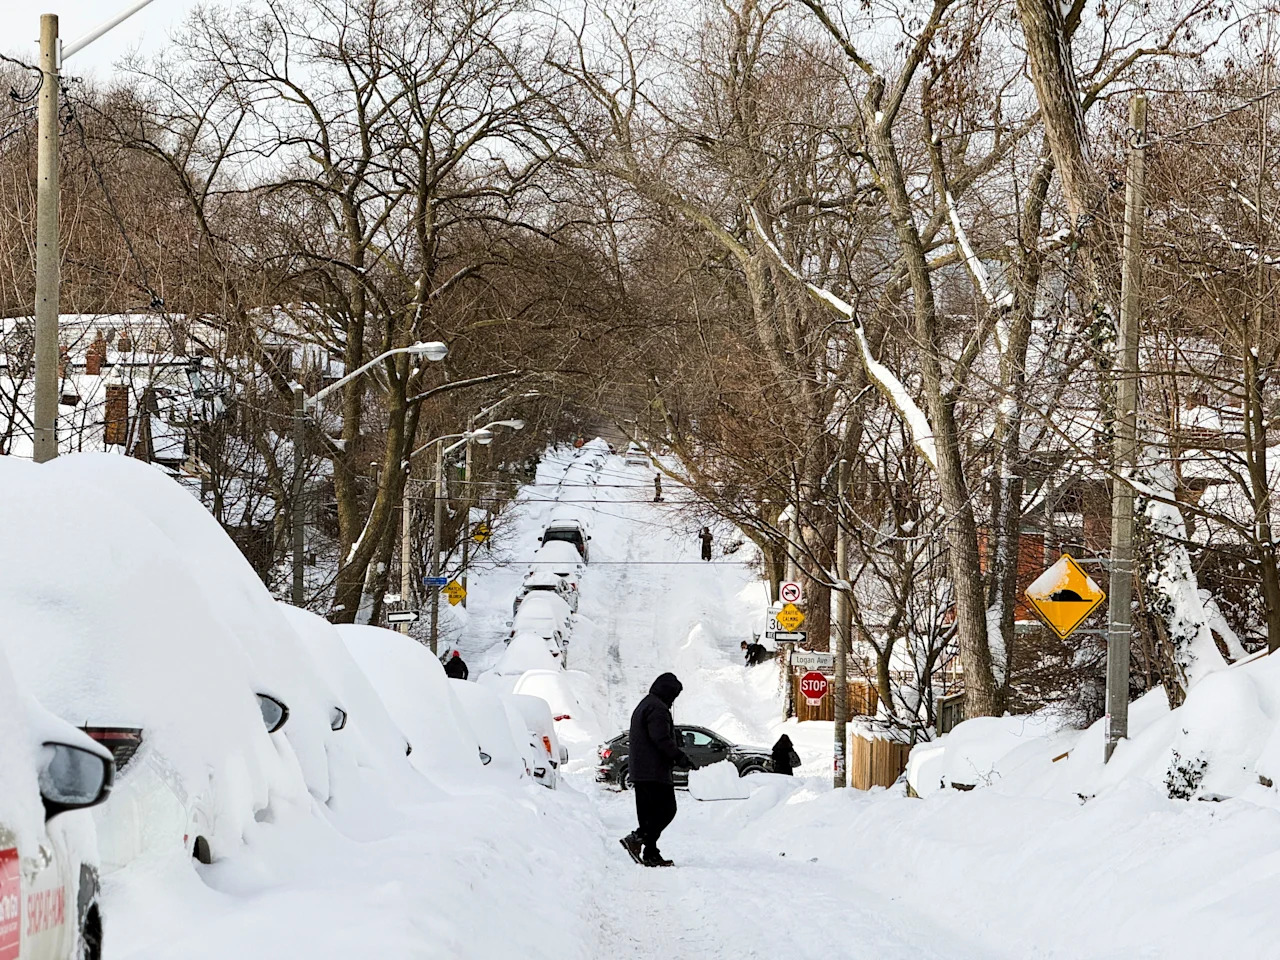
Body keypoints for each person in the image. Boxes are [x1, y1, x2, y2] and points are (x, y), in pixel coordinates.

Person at [619, 673, 692, 867]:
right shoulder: (657, 709)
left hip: (642, 770)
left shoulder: (646, 704)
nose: (673, 700)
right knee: (667, 810)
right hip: (654, 771)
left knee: (648, 815)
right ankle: (637, 838)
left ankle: (650, 853)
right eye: (674, 696)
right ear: (668, 692)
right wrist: (679, 756)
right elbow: (660, 739)